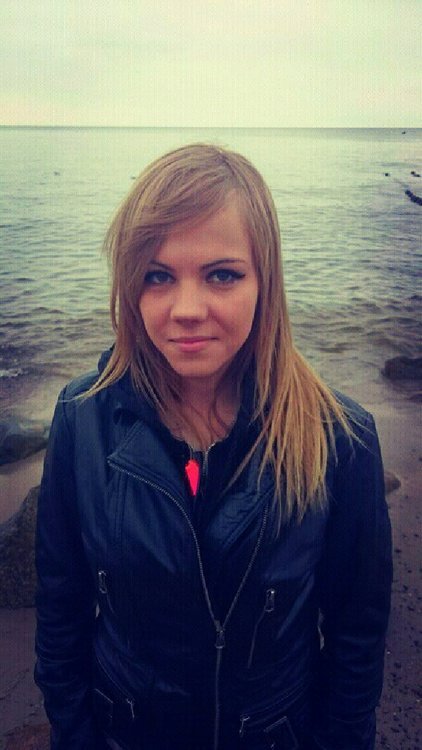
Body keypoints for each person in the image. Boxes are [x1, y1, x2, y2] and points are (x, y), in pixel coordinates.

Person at [35, 143, 392, 750]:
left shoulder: (340, 439)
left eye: (222, 275)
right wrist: (74, 734)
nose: (187, 310)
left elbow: (356, 636)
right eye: (158, 276)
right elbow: (60, 609)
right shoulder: (82, 418)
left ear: (265, 281)